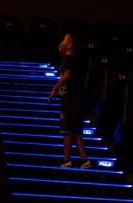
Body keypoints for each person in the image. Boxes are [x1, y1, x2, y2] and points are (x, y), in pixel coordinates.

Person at [47, 33, 92, 169]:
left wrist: (54, 89)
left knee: (67, 130)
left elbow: (67, 76)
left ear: (70, 44)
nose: (62, 42)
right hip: (81, 98)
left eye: (65, 40)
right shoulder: (79, 60)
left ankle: (66, 160)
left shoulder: (67, 59)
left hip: (71, 98)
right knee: (76, 131)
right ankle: (84, 160)